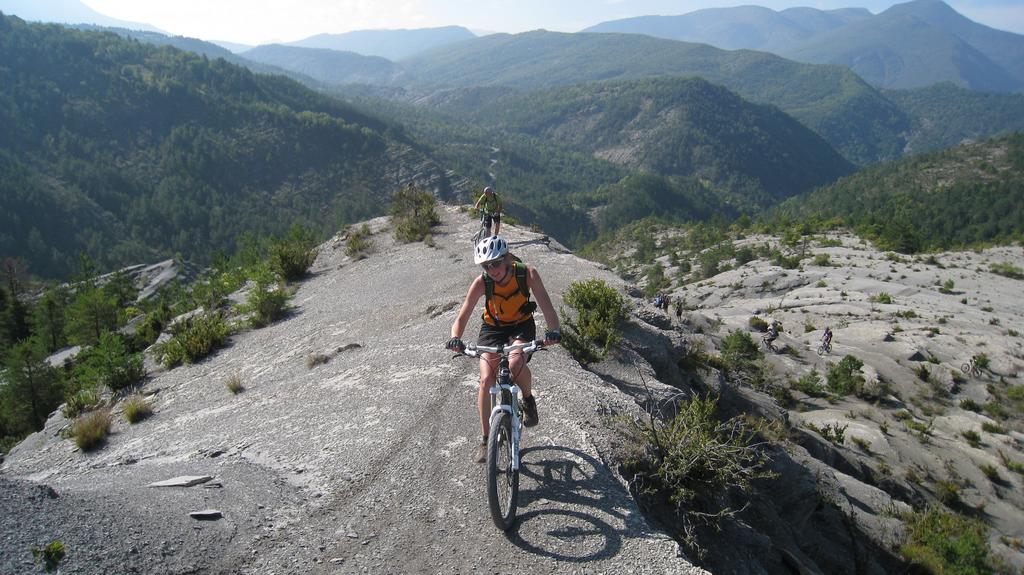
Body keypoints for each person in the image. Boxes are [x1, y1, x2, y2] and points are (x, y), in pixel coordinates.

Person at [446, 235, 561, 463]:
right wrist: (455, 338)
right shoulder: (482, 283)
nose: (492, 270)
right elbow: (463, 315)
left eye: (496, 263)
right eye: (486, 266)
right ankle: (486, 440)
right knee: (486, 379)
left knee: (516, 362)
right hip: (493, 327)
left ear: (507, 258)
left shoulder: (527, 274)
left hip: (521, 324)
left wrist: (553, 331)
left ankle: (527, 399)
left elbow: (547, 306)